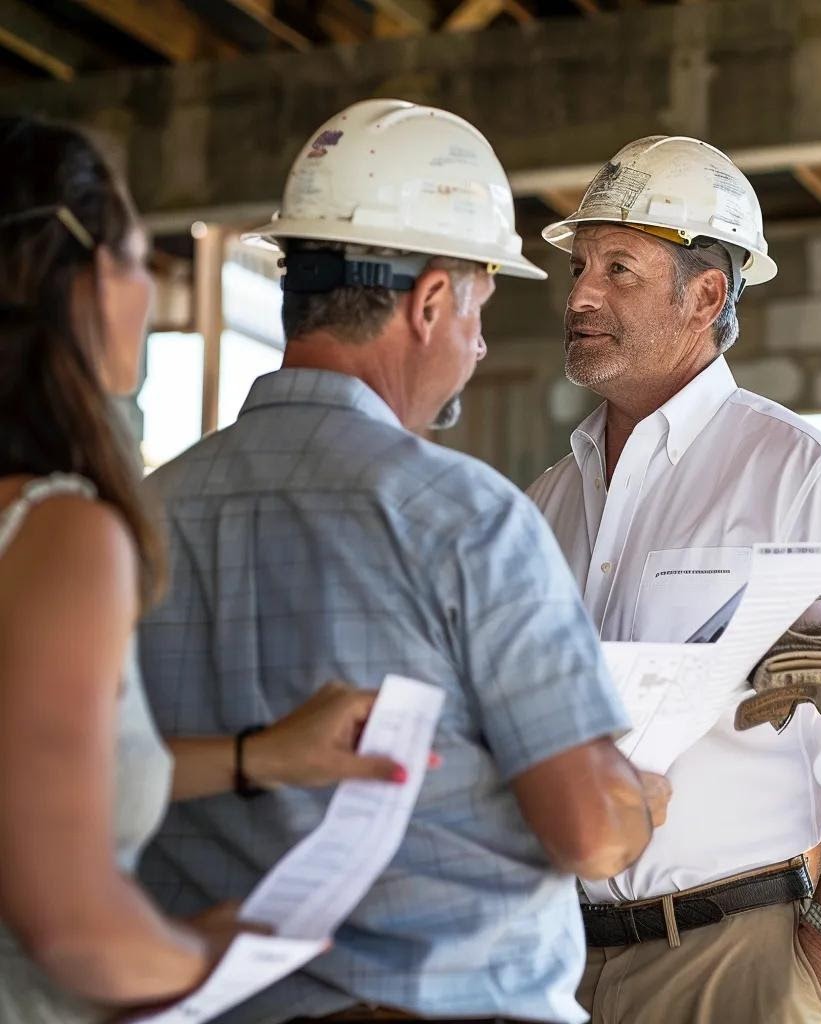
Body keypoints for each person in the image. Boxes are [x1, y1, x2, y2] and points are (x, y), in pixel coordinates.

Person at [137, 98, 666, 1024]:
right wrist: (640, 801)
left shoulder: (141, 515)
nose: (479, 344)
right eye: (478, 310)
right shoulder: (463, 517)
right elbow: (588, 835)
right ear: (429, 303)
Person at [0, 117, 418, 1024]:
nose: (148, 295)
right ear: (81, 281)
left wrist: (259, 756)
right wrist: (215, 955)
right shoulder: (62, 532)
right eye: (139, 259)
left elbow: (33, 773)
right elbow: (74, 929)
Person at [528, 135, 821, 1024]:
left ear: (706, 295)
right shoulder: (547, 503)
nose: (582, 294)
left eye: (620, 270)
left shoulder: (801, 478)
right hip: (555, 961)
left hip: (732, 960)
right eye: (581, 267)